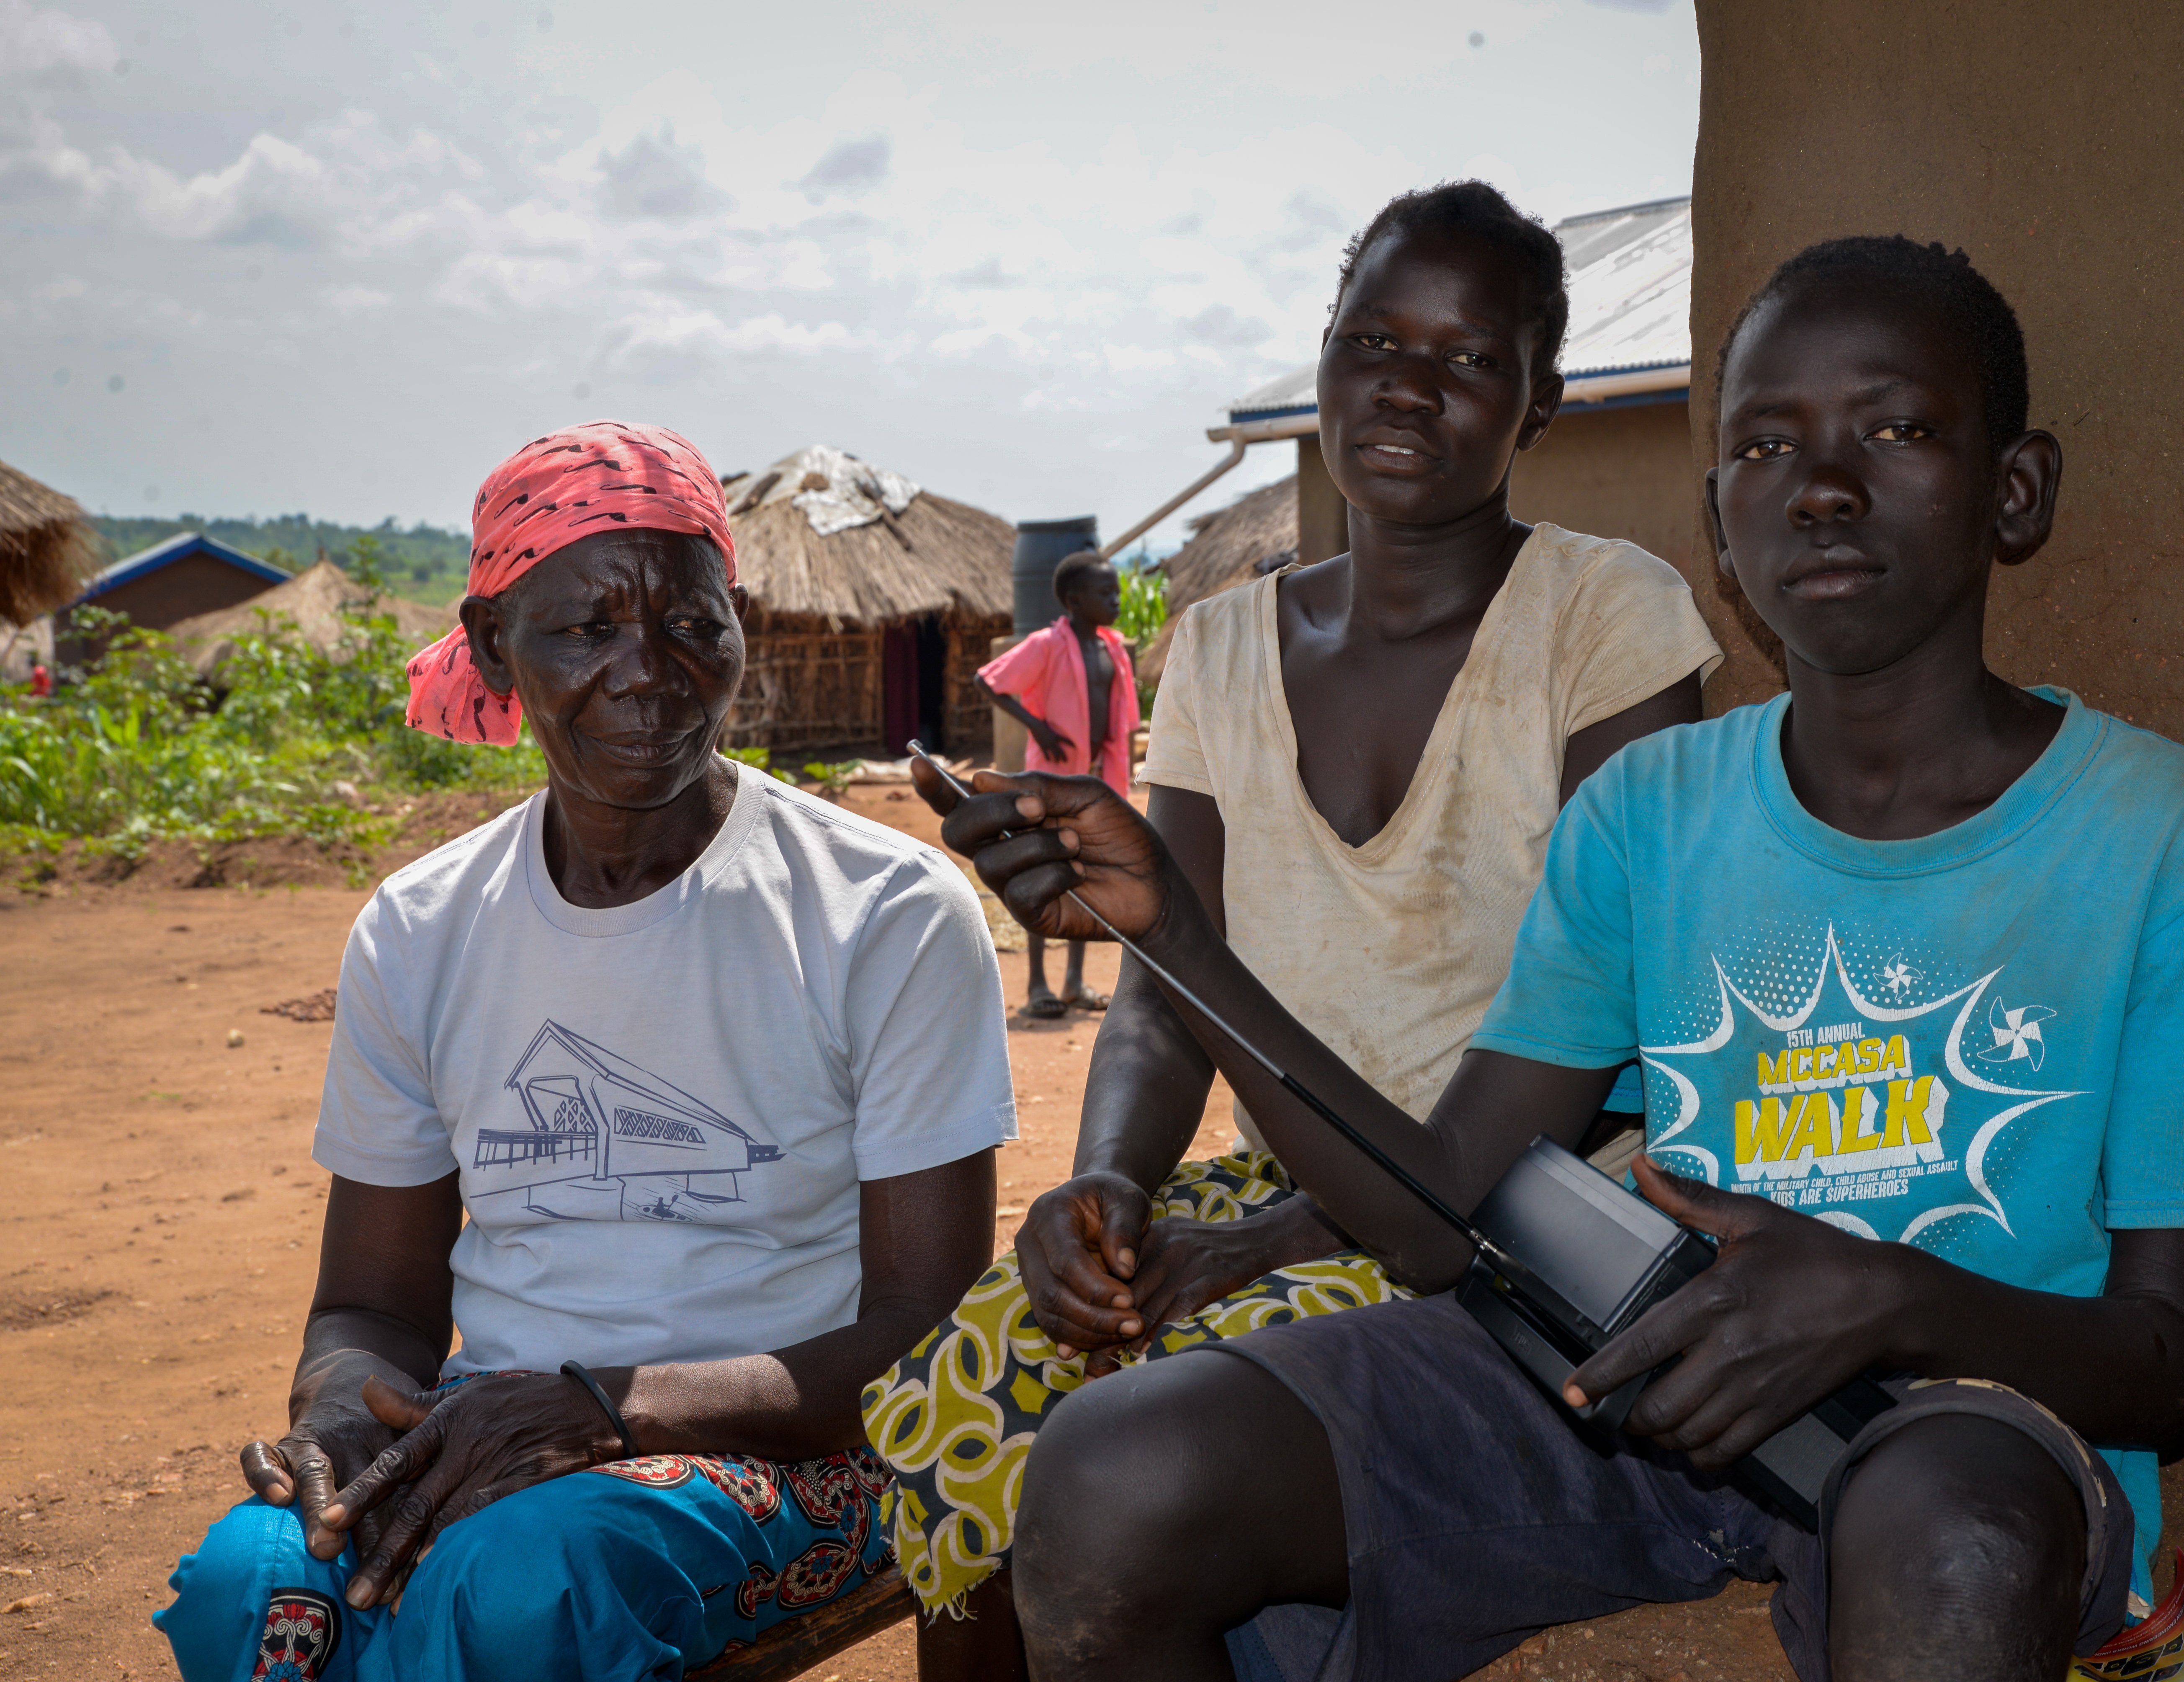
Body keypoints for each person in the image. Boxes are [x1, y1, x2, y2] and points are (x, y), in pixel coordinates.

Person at [928, 237, 2184, 1682]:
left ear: (2013, 489)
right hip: (1620, 1387)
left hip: (1950, 1422)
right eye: (1765, 443)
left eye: (1891, 427)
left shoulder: (2177, 844)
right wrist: (1173, 929)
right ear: (1720, 511)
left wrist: (1889, 1297)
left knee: (1954, 1540)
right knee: (1116, 1471)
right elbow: (1442, 1222)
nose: (1821, 483)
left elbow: (2173, 1364)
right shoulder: (1651, 813)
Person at [868, 179, 1723, 1678]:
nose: (1407, 381)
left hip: (1535, 1204)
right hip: (1287, 1158)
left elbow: (1599, 1046)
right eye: (1372, 338)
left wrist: (1283, 1235)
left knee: (1147, 1428)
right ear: (1322, 363)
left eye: (1467, 358)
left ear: (1536, 406)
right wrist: (1109, 1192)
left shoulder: (1606, 625)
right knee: (987, 1356)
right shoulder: (1217, 646)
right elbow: (1156, 987)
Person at [154, 420, 1016, 1681]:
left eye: (688, 623)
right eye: (584, 629)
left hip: (804, 1451)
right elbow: (373, 1303)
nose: (648, 672)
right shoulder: (422, 927)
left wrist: (609, 1407)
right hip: (496, 1423)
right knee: (257, 1584)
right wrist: (337, 1412)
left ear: (738, 625)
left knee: (519, 1586)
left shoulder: (879, 910)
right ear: (496, 641)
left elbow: (920, 1325)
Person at [975, 549, 1136, 1018]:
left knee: (1081, 877)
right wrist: (1039, 727)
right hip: (1047, 784)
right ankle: (1039, 984)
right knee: (1043, 875)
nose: (1117, 600)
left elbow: (1120, 720)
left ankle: (1074, 982)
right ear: (1074, 599)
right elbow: (989, 681)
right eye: (1105, 593)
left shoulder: (1114, 649)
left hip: (1094, 784)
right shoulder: (1046, 645)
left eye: (1117, 591)